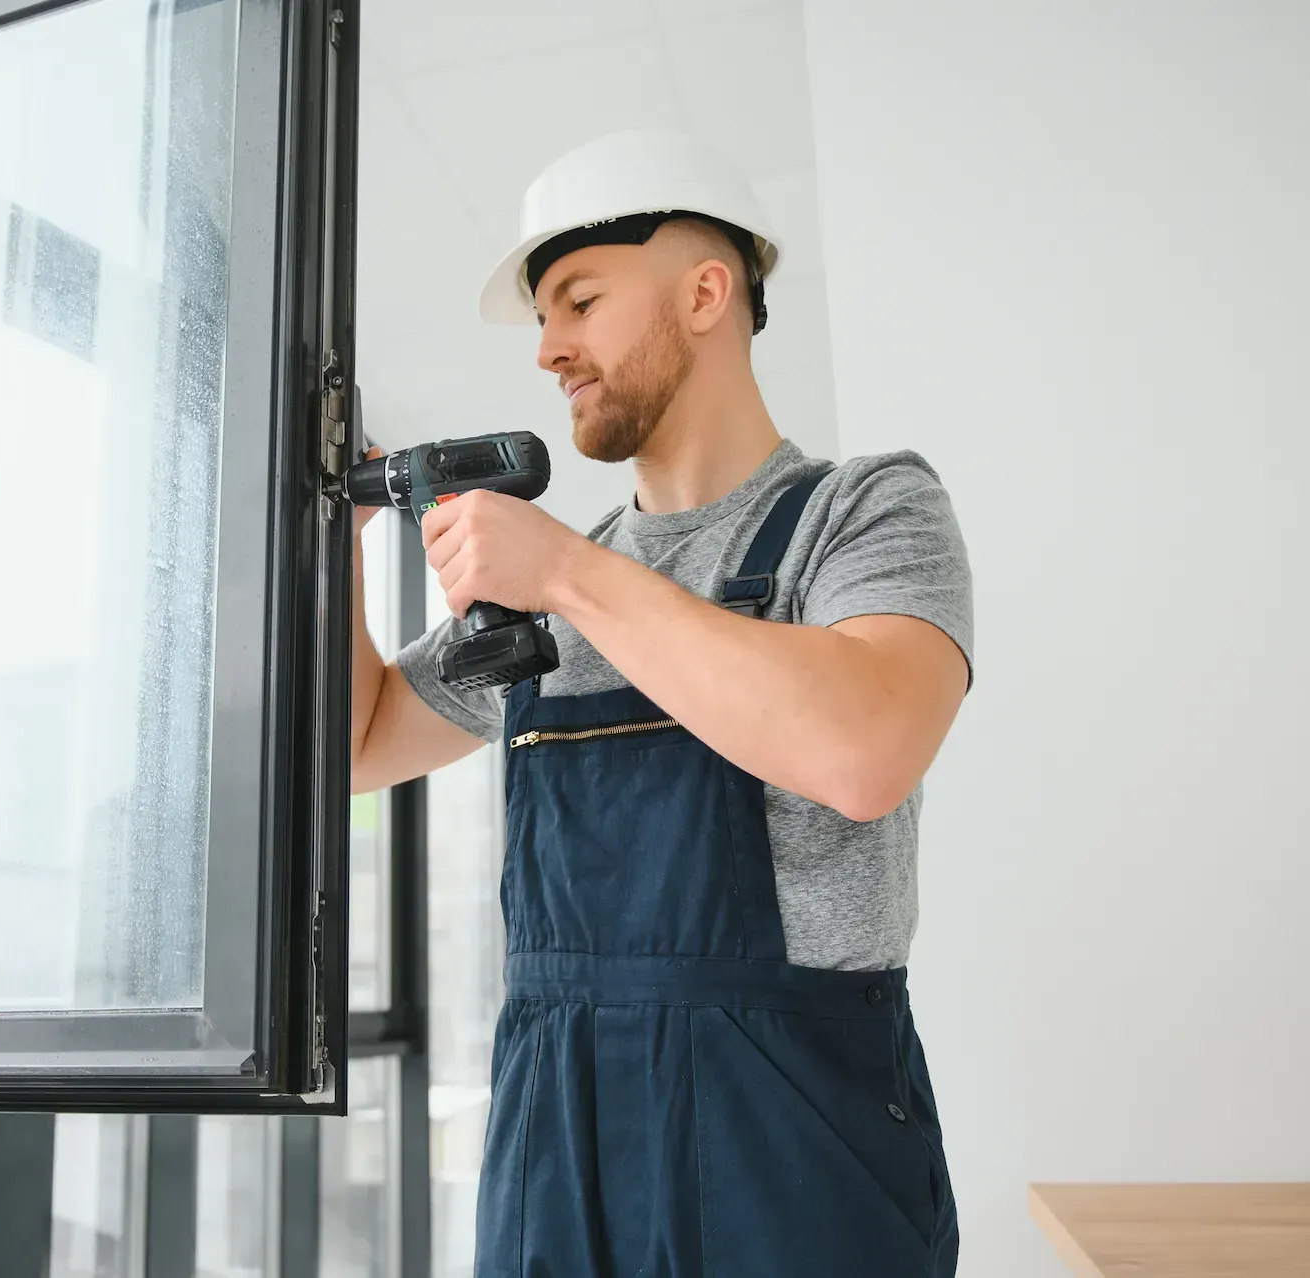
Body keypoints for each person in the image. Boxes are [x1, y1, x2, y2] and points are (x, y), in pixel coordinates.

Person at [349, 129, 971, 1276]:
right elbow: (363, 741)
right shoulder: (551, 584)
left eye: (577, 301)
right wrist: (338, 539)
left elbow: (866, 747)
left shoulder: (865, 512)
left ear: (704, 291)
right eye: (540, 320)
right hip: (556, 1138)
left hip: (793, 1151)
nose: (548, 349)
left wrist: (571, 578)